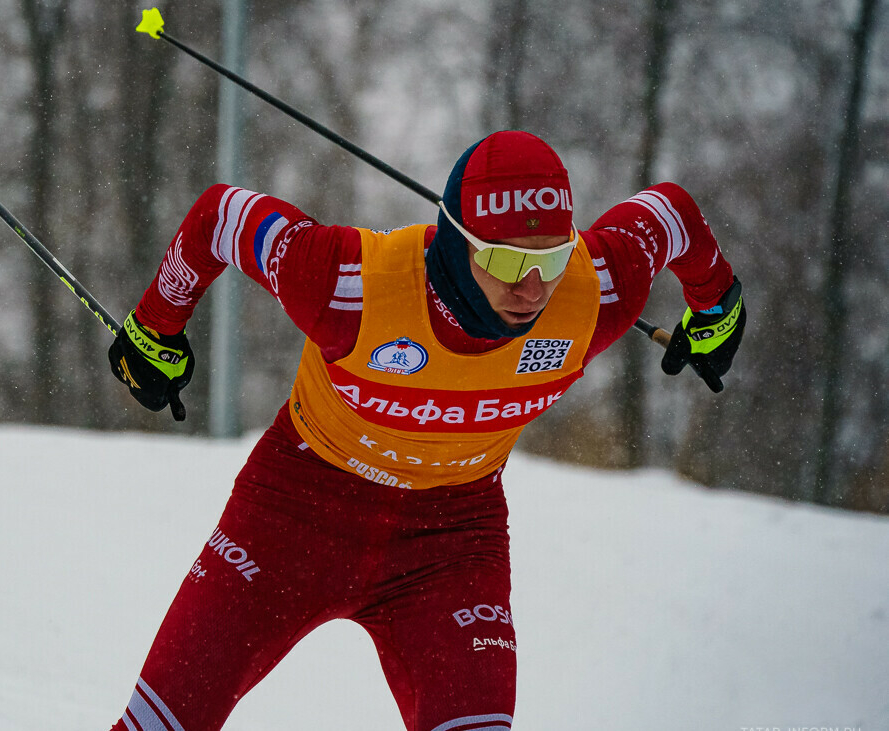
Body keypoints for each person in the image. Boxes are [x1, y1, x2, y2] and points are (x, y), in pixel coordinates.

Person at [106, 130, 745, 731]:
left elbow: (671, 213)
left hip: (451, 541)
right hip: (295, 517)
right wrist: (155, 326)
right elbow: (222, 216)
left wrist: (718, 305)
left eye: (551, 257)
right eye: (504, 258)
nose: (532, 287)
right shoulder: (347, 283)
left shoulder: (595, 289)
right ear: (456, 240)